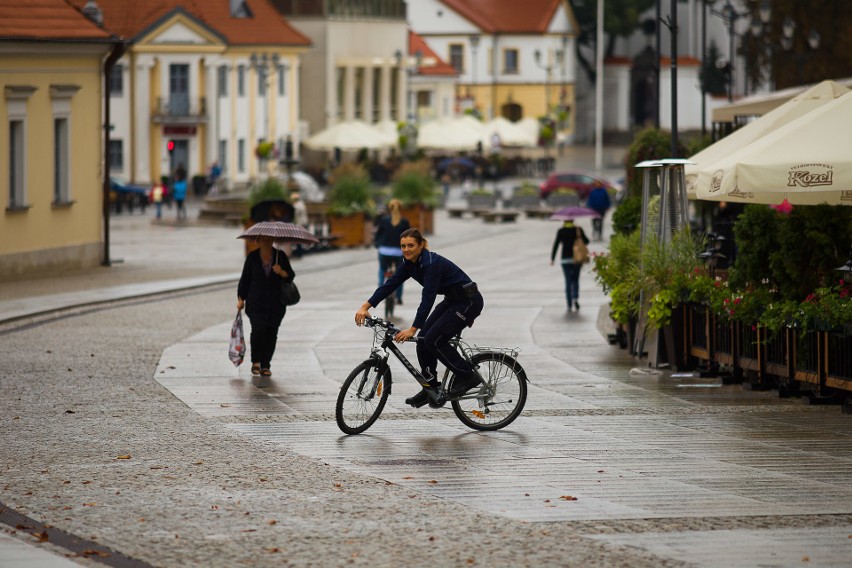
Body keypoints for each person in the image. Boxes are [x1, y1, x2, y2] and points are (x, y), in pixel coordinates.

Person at [355, 228, 484, 408]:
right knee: (423, 340)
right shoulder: (409, 263)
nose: (406, 249)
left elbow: (428, 297)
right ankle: (430, 386)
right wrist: (365, 306)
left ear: (421, 245)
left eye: (411, 245)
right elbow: (390, 284)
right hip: (452, 300)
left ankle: (468, 376)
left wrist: (413, 328)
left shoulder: (432, 264)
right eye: (403, 246)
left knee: (434, 340)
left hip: (468, 302)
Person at [237, 236, 295, 376]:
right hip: (256, 302)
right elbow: (245, 280)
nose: (267, 241)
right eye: (264, 239)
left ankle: (266, 365)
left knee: (271, 333)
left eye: (269, 239)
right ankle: (256, 362)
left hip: (276, 304)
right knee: (258, 330)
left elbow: (290, 276)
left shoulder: (279, 256)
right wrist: (241, 299)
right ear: (258, 240)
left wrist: (281, 271)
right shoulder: (252, 257)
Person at [374, 199, 410, 304]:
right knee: (400, 274)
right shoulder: (404, 222)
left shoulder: (384, 220)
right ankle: (398, 298)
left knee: (382, 269)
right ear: (401, 209)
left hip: (384, 251)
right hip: (399, 252)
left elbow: (378, 234)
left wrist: (377, 244)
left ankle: (381, 288)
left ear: (389, 209)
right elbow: (409, 236)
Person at [550, 219, 589, 312]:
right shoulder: (578, 229)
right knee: (575, 280)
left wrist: (552, 258)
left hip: (565, 259)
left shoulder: (561, 231)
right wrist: (579, 235)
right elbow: (586, 241)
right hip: (577, 259)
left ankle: (569, 303)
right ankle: (575, 298)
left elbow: (556, 244)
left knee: (568, 281)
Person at [290, 190, 308, 258]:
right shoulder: (301, 204)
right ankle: (298, 252)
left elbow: (296, 213)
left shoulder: (298, 205)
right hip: (301, 223)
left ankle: (299, 253)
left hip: (300, 223)